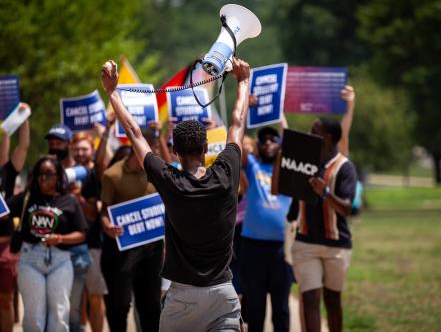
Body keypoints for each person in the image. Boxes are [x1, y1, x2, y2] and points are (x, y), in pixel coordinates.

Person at [101, 57, 250, 331]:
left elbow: (134, 132)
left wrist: (112, 92)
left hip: (182, 299)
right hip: (223, 295)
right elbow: (237, 123)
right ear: (206, 148)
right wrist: (243, 82)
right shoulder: (227, 173)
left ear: (176, 152)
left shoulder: (169, 181)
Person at [288, 115, 357, 332]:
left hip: (336, 245)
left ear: (327, 137)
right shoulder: (303, 161)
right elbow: (294, 198)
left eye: (314, 129)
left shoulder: (345, 167)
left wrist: (325, 192)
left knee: (332, 301)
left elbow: (346, 208)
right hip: (305, 243)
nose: (309, 133)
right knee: (310, 298)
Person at [7, 155, 87, 332]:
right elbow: (3, 211)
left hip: (60, 260)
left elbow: (81, 234)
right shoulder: (26, 198)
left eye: (49, 174)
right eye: (40, 174)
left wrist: (59, 239)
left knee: (59, 315)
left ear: (58, 176)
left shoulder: (69, 200)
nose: (43, 178)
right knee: (34, 316)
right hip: (30, 259)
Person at [99, 124, 164, 332]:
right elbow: (104, 212)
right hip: (122, 250)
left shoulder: (158, 171)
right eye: (150, 147)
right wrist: (108, 225)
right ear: (136, 145)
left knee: (152, 306)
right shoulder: (112, 175)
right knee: (120, 304)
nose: (153, 152)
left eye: (154, 147)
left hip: (153, 249)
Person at [239, 121, 293, 332]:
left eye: (273, 139)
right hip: (253, 247)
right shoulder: (252, 166)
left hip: (282, 249)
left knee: (281, 309)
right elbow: (240, 144)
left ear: (280, 145)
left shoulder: (290, 170)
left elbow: (291, 143)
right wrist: (244, 110)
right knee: (255, 308)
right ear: (258, 145)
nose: (268, 143)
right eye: (264, 140)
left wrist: (279, 114)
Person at [45, 124, 92, 332]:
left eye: (59, 142)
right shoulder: (43, 171)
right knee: (49, 307)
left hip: (75, 250)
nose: (54, 146)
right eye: (51, 143)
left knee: (72, 308)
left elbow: (93, 214)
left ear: (69, 145)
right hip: (48, 250)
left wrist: (79, 197)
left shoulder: (83, 173)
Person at [71, 132, 107, 332]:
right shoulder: (65, 173)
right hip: (69, 245)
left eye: (84, 148)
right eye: (76, 149)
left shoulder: (97, 175)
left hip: (94, 243)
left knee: (95, 296)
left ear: (92, 150)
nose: (80, 152)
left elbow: (95, 212)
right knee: (74, 298)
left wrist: (80, 199)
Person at [0, 103, 30, 332]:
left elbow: (24, 146)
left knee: (5, 300)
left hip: (4, 247)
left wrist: (24, 116)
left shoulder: (8, 172)